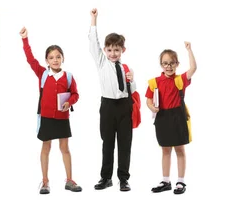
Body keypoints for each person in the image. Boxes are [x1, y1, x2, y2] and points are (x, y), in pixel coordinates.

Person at [20, 27, 83, 194]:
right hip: (46, 117)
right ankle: (45, 182)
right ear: (46, 60)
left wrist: (69, 102)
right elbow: (30, 59)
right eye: (51, 58)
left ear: (62, 58)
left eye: (58, 57)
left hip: (62, 117)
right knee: (46, 147)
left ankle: (69, 180)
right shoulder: (42, 74)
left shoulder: (68, 76)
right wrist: (25, 40)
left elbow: (76, 94)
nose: (55, 60)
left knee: (65, 148)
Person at [89, 8, 136, 192]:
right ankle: (105, 177)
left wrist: (131, 79)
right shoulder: (101, 62)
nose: (113, 53)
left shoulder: (125, 67)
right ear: (105, 50)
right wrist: (94, 20)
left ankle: (123, 178)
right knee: (107, 142)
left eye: (116, 50)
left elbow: (132, 92)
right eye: (109, 50)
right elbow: (94, 42)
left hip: (125, 106)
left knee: (125, 144)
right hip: (108, 106)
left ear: (122, 50)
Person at [146, 42, 196, 195]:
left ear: (177, 64)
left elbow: (193, 68)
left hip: (178, 117)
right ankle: (166, 181)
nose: (168, 66)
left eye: (171, 63)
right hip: (162, 118)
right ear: (161, 64)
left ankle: (180, 181)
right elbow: (148, 99)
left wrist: (189, 50)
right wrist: (152, 107)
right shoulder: (154, 82)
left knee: (180, 150)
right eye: (165, 63)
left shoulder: (179, 79)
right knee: (165, 150)